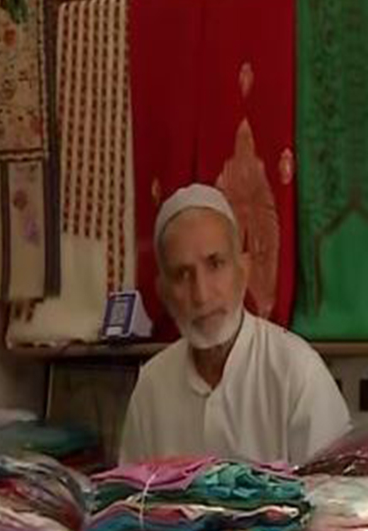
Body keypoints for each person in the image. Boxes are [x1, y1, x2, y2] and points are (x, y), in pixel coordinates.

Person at [119, 184, 351, 466]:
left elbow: (335, 499)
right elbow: (132, 502)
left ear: (243, 270)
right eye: (182, 274)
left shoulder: (297, 372)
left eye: (215, 264)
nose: (201, 294)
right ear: (164, 292)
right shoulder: (152, 387)